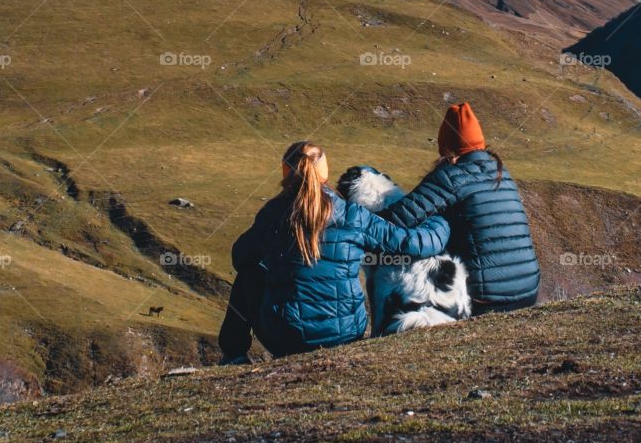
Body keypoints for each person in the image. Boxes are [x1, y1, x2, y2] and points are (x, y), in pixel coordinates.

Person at [218, 140, 450, 362]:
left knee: (249, 274)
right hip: (345, 333)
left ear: (285, 174)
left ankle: (234, 355)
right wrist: (441, 222)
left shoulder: (272, 215)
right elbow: (411, 243)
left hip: (284, 337)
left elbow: (240, 258)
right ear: (324, 173)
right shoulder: (352, 215)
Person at [382, 102, 540, 314]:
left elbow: (398, 219)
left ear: (447, 147)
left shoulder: (450, 177)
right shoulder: (502, 174)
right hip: (529, 290)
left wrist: (356, 219)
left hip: (487, 299)